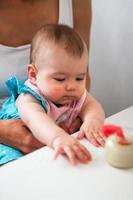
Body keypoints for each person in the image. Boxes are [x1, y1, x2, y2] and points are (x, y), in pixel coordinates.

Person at [0, 24, 105, 165]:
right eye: (60, 79)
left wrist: (92, 121)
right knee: (13, 164)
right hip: (11, 145)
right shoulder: (28, 98)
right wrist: (58, 137)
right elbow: (36, 119)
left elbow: (92, 105)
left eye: (79, 78)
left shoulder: (73, 93)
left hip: (52, 144)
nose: (72, 86)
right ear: (33, 74)